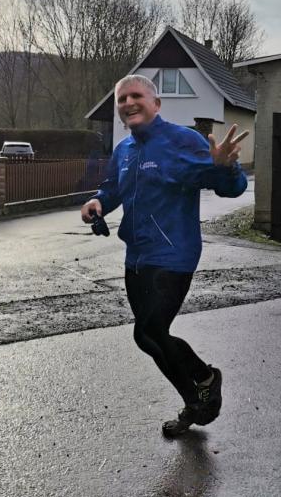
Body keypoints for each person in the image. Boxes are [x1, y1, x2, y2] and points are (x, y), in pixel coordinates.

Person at [81, 74, 248, 438]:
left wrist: (226, 167)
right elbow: (112, 188)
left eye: (136, 96)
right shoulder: (124, 150)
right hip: (136, 257)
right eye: (122, 99)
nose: (128, 103)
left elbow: (232, 187)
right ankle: (199, 391)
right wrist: (98, 201)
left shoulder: (182, 140)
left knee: (150, 330)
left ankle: (202, 388)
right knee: (148, 338)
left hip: (174, 255)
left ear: (156, 104)